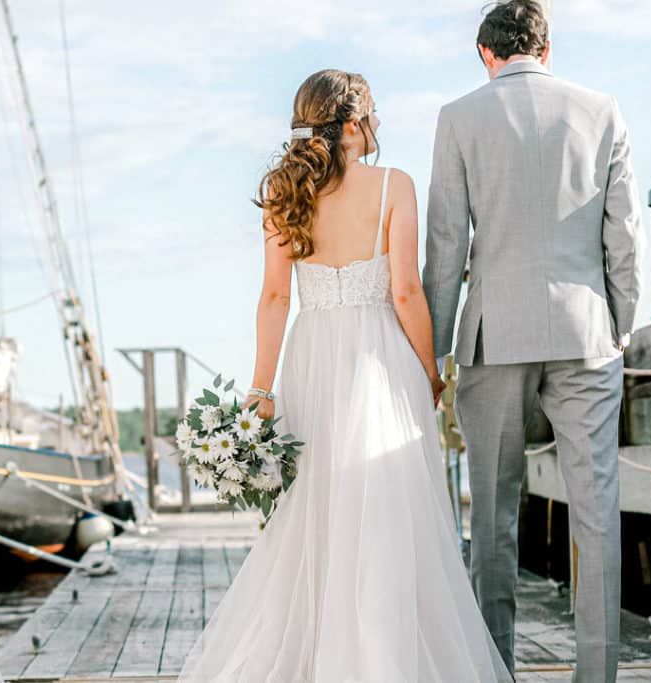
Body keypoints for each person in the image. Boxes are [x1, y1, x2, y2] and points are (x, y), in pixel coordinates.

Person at [178, 68, 511, 682]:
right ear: (354, 124)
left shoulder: (286, 193)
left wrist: (260, 391)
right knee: (385, 508)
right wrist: (429, 371)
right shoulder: (393, 186)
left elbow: (274, 298)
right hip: (380, 359)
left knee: (318, 508)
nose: (380, 123)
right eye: (375, 112)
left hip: (312, 356)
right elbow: (407, 292)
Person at [422, 2, 644, 681]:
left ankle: (495, 667)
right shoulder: (602, 110)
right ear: (547, 48)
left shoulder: (460, 117)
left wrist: (432, 349)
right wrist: (622, 324)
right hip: (586, 332)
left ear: (486, 55)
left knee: (492, 515)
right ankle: (598, 674)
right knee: (598, 512)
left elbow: (445, 243)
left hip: (493, 336)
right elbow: (625, 237)